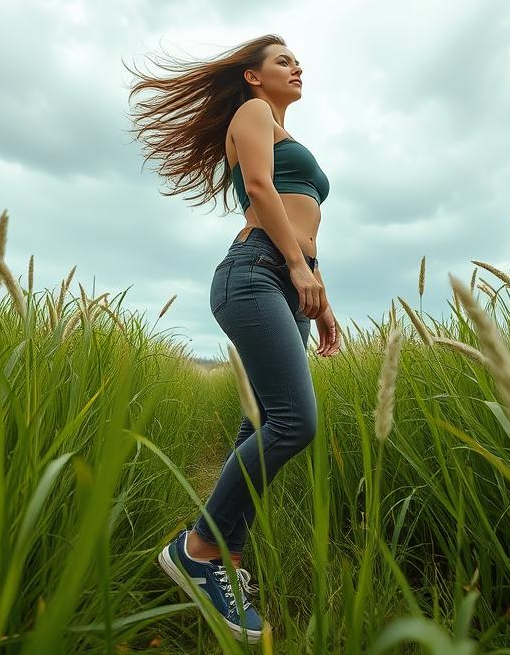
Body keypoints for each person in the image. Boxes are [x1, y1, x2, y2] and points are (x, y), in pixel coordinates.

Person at [126, 34, 341, 643]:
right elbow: (260, 191)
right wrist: (298, 268)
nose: (297, 66)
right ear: (252, 77)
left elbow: (305, 223)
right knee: (295, 423)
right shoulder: (253, 114)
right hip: (254, 275)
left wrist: (320, 297)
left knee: (262, 424)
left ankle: (223, 557)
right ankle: (197, 549)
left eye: (299, 61)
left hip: (289, 281)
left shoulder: (287, 132)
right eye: (283, 61)